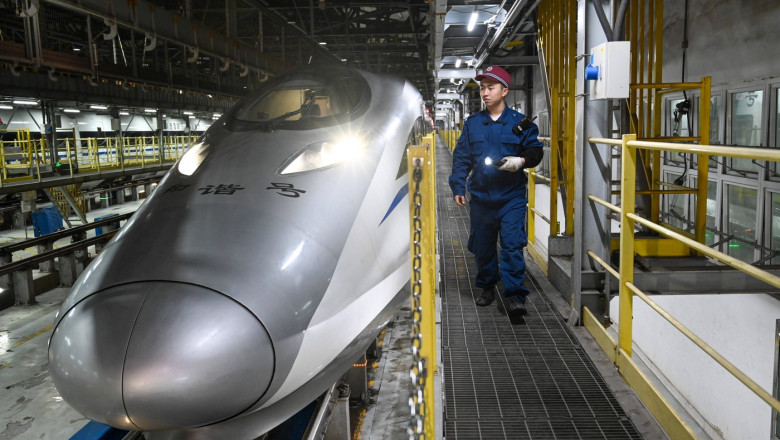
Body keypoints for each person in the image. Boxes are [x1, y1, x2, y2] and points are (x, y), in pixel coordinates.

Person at [448, 65, 544, 317]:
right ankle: (488, 286)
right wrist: (458, 185)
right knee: (484, 246)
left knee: (512, 245)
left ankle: (514, 295)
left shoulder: (520, 124)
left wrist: (520, 161)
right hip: (481, 197)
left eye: (490, 87)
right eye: (482, 88)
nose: (485, 92)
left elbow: (535, 152)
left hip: (510, 196)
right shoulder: (473, 124)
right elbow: (461, 158)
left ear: (504, 91)